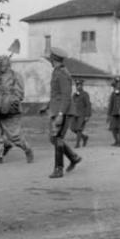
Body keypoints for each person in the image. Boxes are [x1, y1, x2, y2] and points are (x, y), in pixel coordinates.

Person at [0, 55, 34, 165]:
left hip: (10, 110)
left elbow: (19, 94)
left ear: (8, 65)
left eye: (2, 64)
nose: (0, 66)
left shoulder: (15, 76)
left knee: (14, 136)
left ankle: (27, 149)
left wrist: (11, 102)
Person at [43, 47, 81, 179]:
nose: (50, 61)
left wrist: (60, 114)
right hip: (57, 109)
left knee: (57, 138)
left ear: (54, 59)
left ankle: (58, 169)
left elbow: (66, 96)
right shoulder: (57, 72)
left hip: (63, 111)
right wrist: (48, 106)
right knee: (54, 138)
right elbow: (56, 94)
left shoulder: (62, 74)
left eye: (51, 59)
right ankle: (73, 157)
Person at [69, 79, 92, 148]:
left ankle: (77, 144)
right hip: (75, 114)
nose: (78, 87)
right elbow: (72, 104)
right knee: (73, 128)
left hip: (82, 114)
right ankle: (84, 137)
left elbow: (88, 105)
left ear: (82, 86)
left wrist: (87, 115)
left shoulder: (85, 94)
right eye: (77, 85)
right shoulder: (74, 95)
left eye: (79, 85)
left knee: (79, 128)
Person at [106, 76, 120, 146]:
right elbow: (111, 103)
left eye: (119, 82)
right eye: (117, 82)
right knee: (113, 127)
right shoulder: (114, 93)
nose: (118, 84)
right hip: (114, 112)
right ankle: (116, 140)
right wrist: (108, 114)